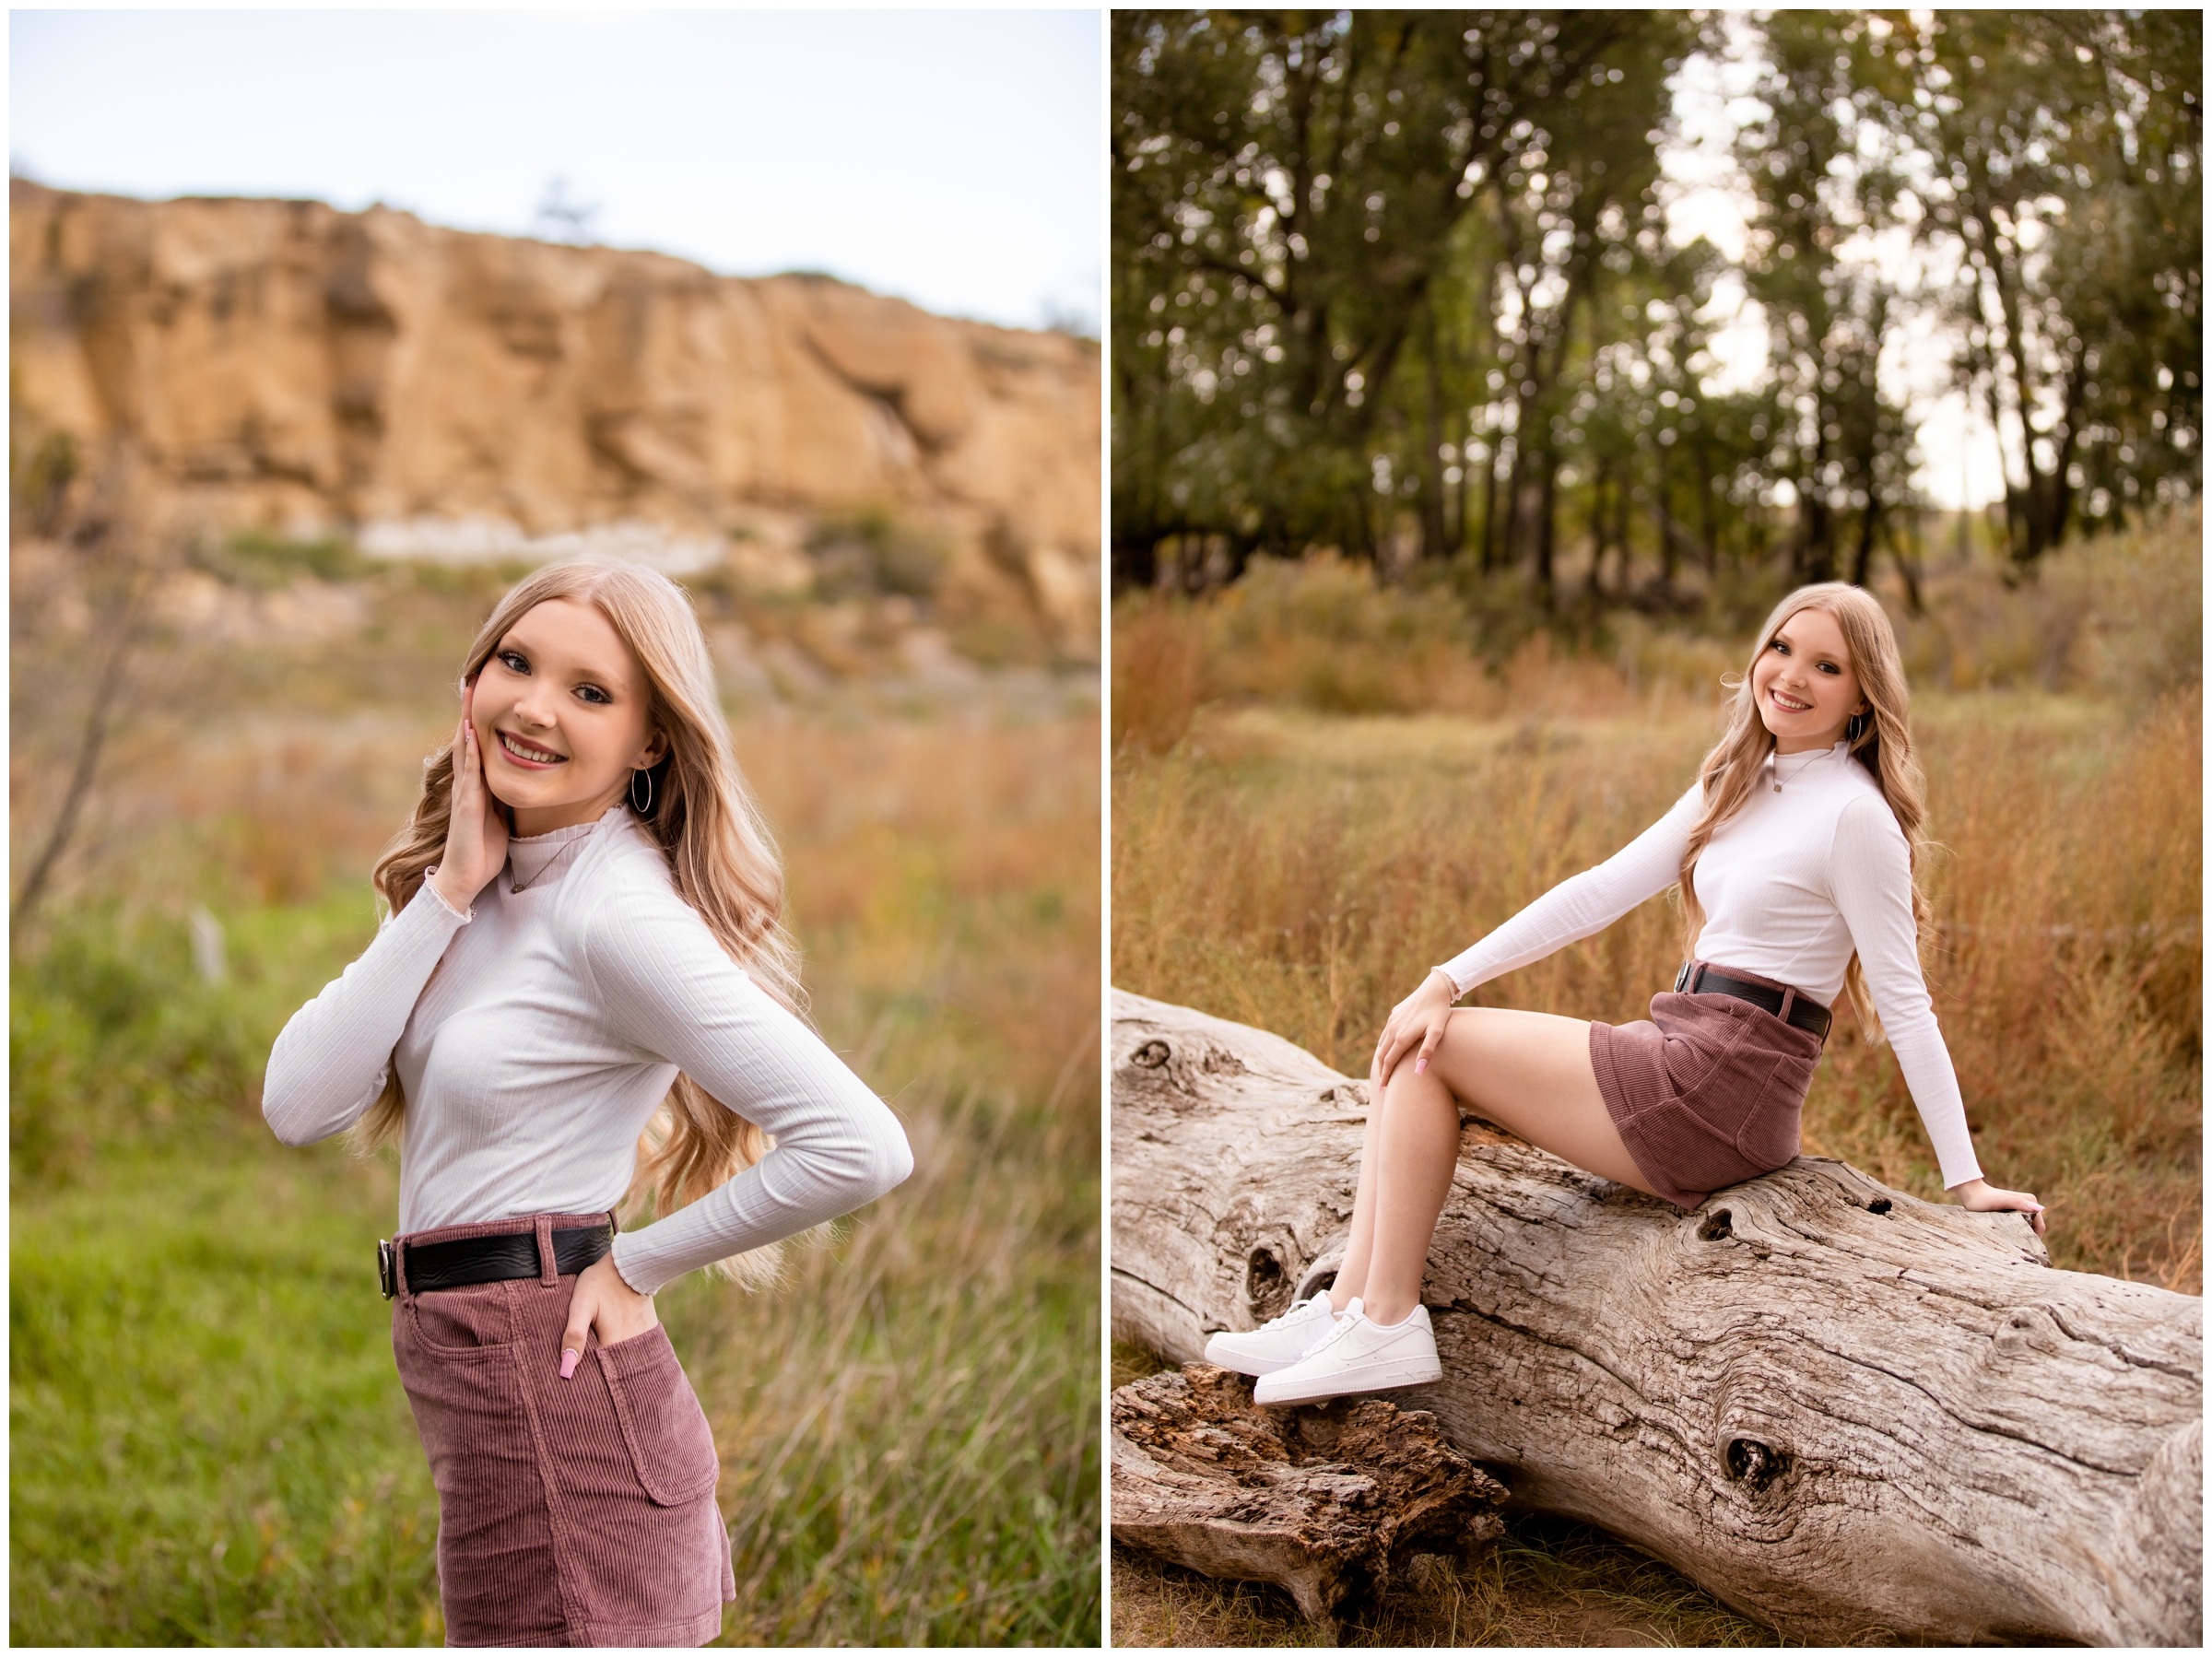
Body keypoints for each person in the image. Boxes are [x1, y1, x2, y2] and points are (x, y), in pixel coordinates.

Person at [262, 559, 913, 1645]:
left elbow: (861, 1144)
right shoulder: (494, 877)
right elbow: (298, 1103)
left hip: (555, 1391)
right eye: (515, 662)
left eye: (591, 692)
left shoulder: (614, 911)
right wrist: (448, 891)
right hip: (497, 1383)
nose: (534, 706)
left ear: (652, 740)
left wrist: (639, 1262)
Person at [1205, 582, 2045, 1406]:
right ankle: (1347, 1311)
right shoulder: (1741, 781)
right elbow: (1597, 892)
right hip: (1682, 1046)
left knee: (1437, 1047)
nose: (1791, 676)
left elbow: (1905, 1004)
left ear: (1864, 695)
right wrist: (1444, 976)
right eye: (1782, 649)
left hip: (1726, 1084)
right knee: (1410, 1048)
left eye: (1827, 667)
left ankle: (1386, 1320)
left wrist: (1966, 1181)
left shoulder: (1855, 817)